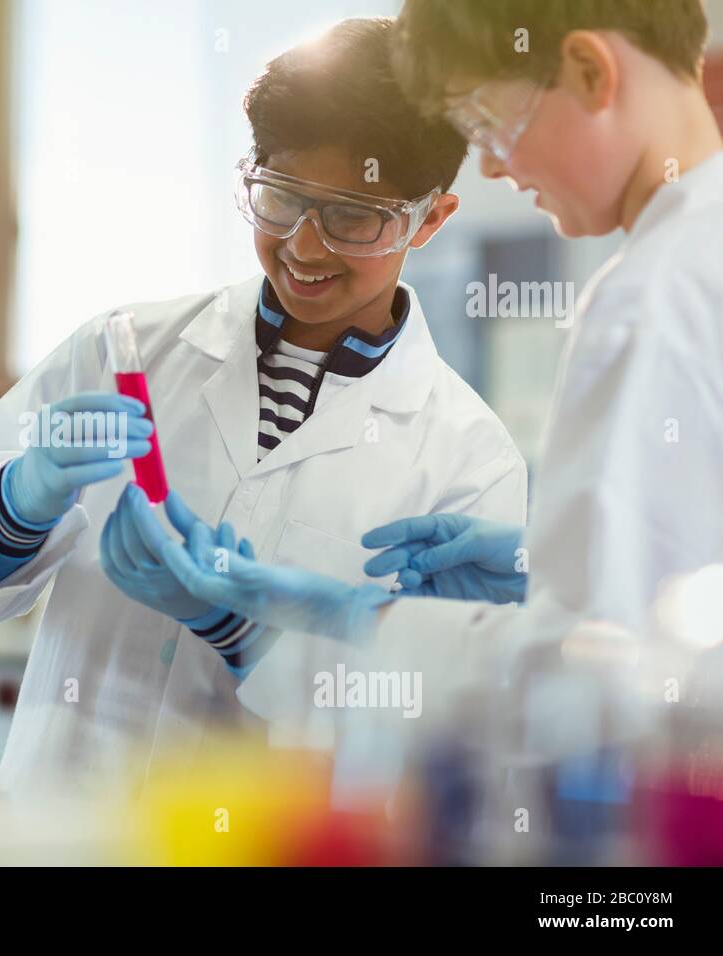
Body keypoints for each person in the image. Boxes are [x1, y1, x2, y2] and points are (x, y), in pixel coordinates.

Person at [0, 17, 526, 792]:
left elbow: (433, 730)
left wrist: (240, 631)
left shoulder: (468, 456)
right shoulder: (123, 348)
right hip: (57, 824)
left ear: (429, 218)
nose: (304, 246)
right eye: (282, 198)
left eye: (353, 218)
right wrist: (20, 498)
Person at [150, 0, 723, 721]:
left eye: (487, 122)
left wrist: (346, 622)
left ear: (588, 71)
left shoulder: (654, 294)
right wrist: (540, 570)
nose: (490, 164)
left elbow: (595, 689)